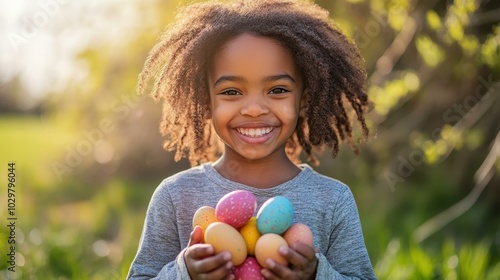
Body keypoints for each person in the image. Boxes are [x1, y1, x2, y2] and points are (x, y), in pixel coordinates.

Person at [127, 0, 376, 279]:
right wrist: (185, 272)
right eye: (232, 92)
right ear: (206, 102)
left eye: (278, 89)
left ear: (303, 101)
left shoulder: (332, 200)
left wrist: (317, 274)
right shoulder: (175, 196)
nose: (254, 108)